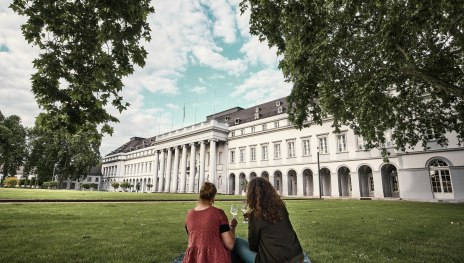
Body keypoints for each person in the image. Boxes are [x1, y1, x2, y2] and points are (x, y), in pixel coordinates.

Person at [233, 177, 304, 263]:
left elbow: (253, 246)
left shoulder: (255, 215)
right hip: (296, 255)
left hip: (274, 259)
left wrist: (251, 223)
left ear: (251, 194)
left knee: (237, 241)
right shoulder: (281, 207)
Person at [183, 182, 237, 263]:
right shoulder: (219, 214)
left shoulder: (189, 215)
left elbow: (197, 239)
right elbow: (230, 245)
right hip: (216, 258)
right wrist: (232, 226)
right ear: (213, 196)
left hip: (193, 259)